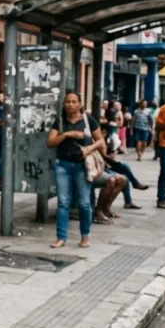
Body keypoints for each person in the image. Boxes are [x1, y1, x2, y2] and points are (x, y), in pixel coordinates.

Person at [47, 92, 103, 248]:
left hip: (82, 166)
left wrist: (88, 148)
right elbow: (50, 142)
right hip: (62, 165)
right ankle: (61, 237)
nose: (70, 105)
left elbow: (100, 141)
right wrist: (66, 134)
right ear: (64, 104)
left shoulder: (88, 120)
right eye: (67, 102)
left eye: (73, 102)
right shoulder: (59, 121)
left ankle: (85, 236)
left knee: (84, 203)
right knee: (63, 202)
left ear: (80, 104)